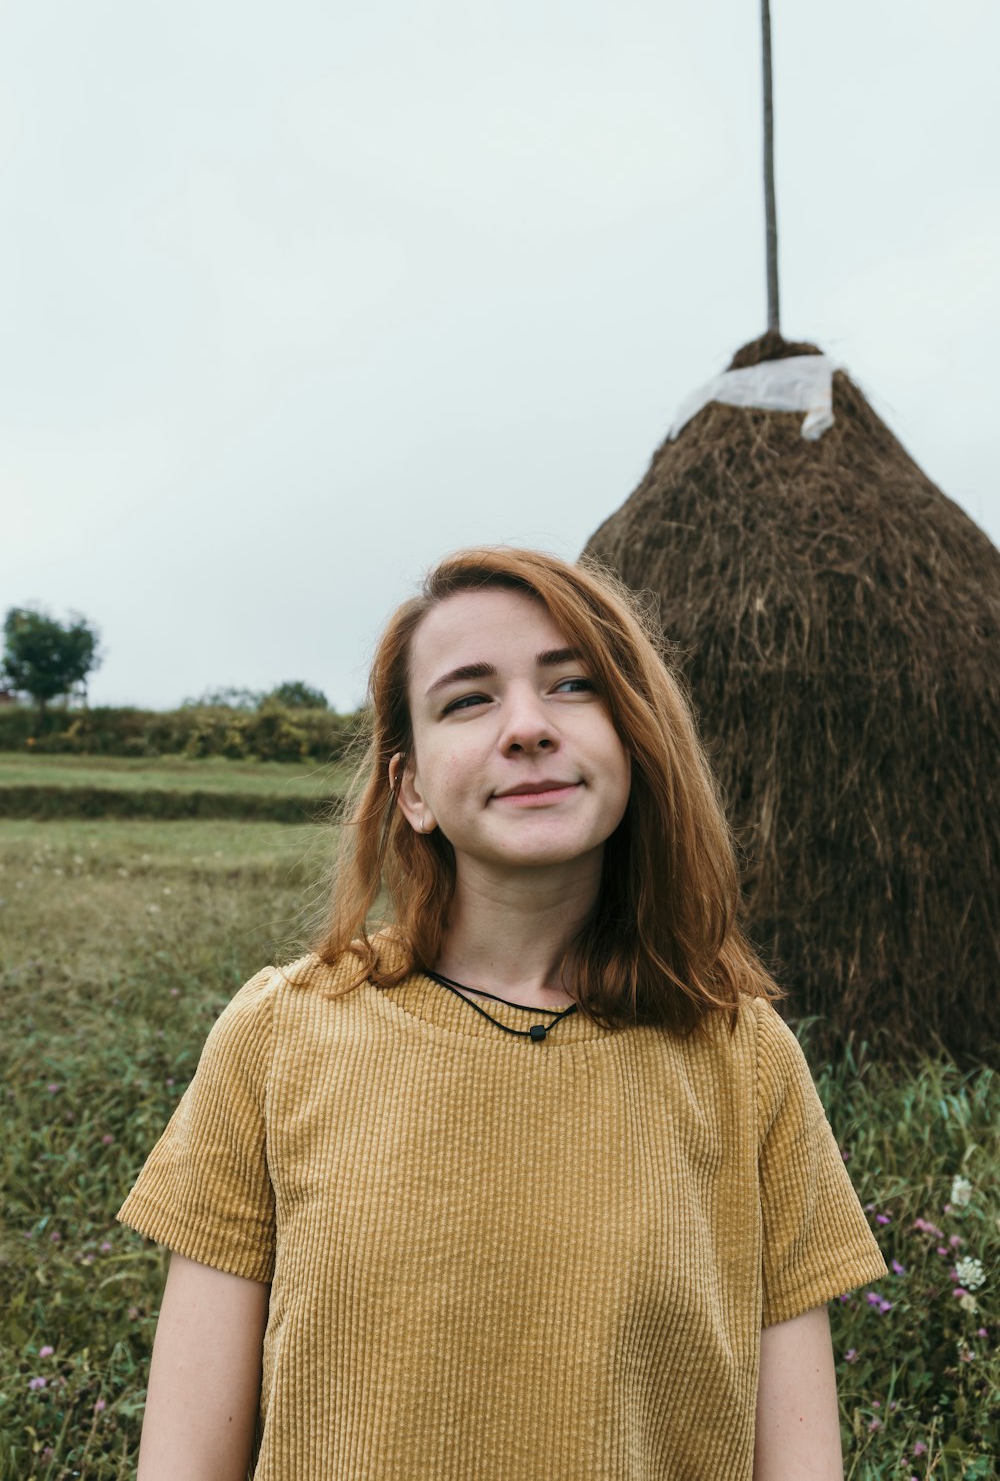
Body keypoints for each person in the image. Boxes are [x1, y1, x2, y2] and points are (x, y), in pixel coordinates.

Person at [117, 545, 887, 1481]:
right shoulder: (281, 1034)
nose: (526, 727)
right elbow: (186, 1460)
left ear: (634, 740)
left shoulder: (743, 1056)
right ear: (410, 790)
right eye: (468, 699)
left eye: (572, 687)